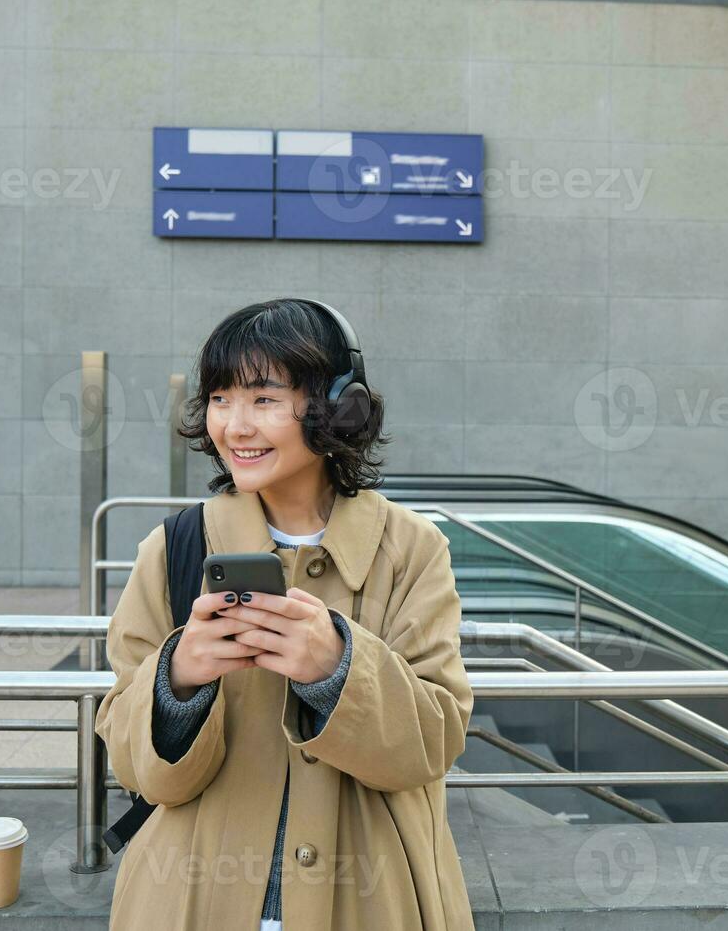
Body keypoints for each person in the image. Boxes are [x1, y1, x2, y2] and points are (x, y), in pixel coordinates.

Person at [94, 298, 476, 930]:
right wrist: (178, 682)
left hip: (371, 903)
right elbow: (136, 769)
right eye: (219, 398)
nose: (234, 425)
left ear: (341, 408)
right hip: (191, 902)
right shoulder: (173, 548)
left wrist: (339, 669)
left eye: (264, 399)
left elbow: (434, 741)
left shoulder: (412, 550)